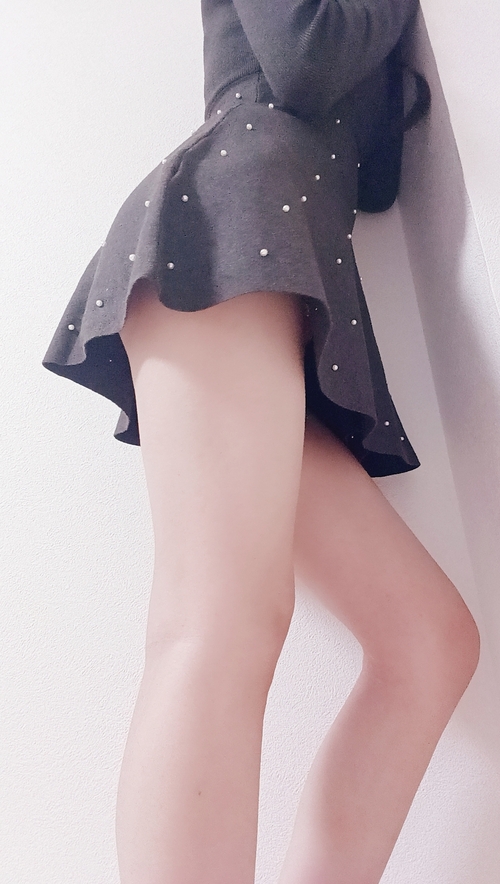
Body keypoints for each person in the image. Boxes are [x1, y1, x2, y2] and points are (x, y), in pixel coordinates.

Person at [42, 1, 480, 882]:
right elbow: (305, 56)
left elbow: (374, 173)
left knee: (428, 641)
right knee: (219, 621)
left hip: (280, 259)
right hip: (226, 228)